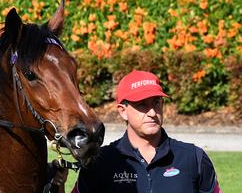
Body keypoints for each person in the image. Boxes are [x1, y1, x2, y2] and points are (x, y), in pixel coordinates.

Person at [67, 70, 222, 193]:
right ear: (123, 111)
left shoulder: (194, 158)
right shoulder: (100, 162)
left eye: (156, 103)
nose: (153, 112)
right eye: (142, 105)